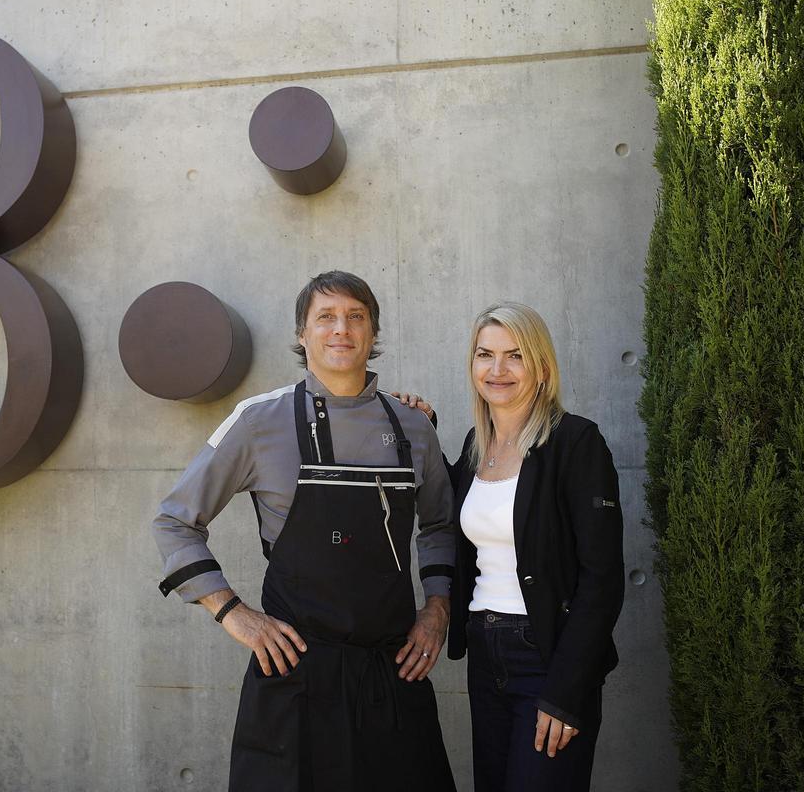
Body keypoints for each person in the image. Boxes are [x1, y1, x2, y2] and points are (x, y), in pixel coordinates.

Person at [151, 270, 458, 792]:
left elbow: (440, 525)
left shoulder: (414, 426)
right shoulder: (257, 421)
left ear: (373, 333)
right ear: (302, 334)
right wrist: (234, 614)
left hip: (393, 676)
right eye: (326, 317)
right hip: (294, 679)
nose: (342, 329)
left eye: (355, 317)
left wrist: (436, 609)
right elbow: (174, 522)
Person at [398, 301, 624, 791]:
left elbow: (602, 581)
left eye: (514, 356)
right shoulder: (476, 448)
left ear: (541, 367)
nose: (497, 370)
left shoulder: (576, 443)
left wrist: (567, 692)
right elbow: (457, 511)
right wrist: (423, 429)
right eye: (485, 354)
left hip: (548, 656)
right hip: (486, 651)